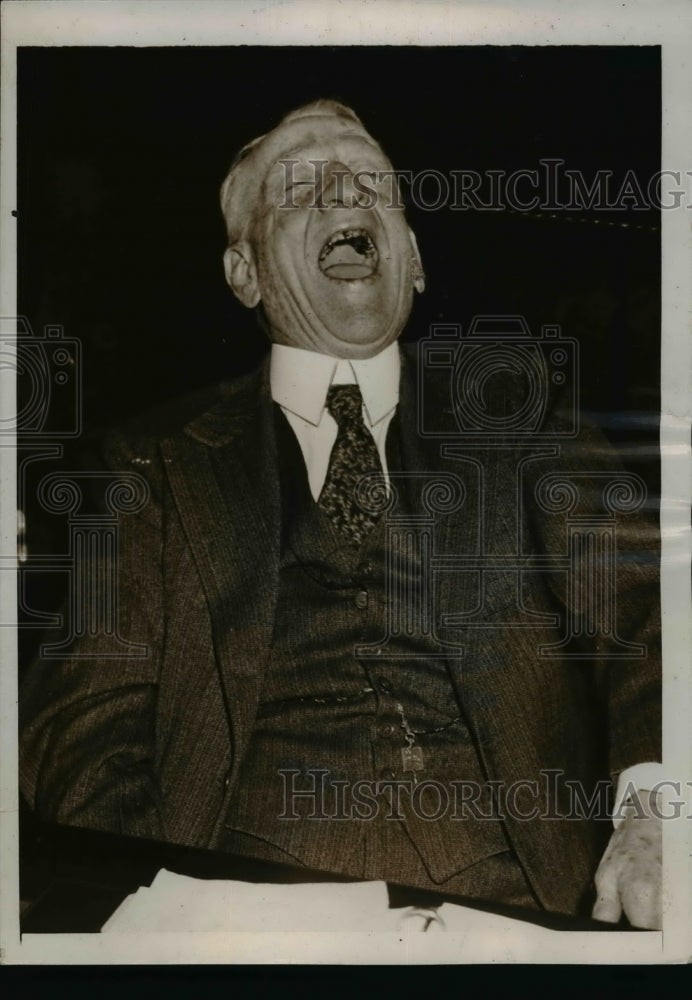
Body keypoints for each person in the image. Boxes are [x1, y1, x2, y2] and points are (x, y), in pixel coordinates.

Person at [19, 100, 662, 928]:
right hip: (242, 910)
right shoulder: (152, 460)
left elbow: (653, 620)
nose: (343, 192)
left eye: (369, 181)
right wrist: (156, 902)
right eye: (301, 186)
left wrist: (656, 810)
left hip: (523, 909)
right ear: (243, 271)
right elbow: (83, 720)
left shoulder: (523, 417)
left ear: (416, 259)